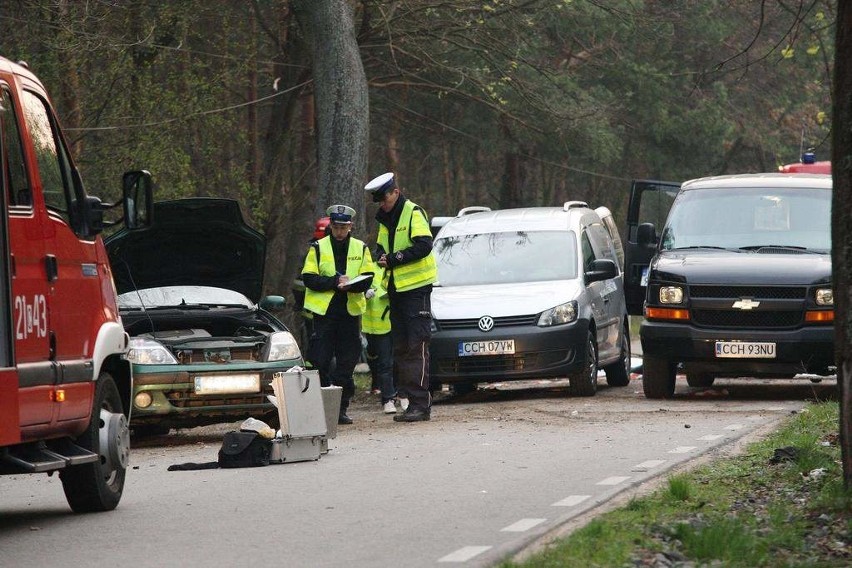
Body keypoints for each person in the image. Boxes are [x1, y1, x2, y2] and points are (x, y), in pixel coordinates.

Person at [364, 172, 437, 423]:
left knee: (417, 346)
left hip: (416, 290)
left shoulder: (413, 212)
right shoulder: (385, 219)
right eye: (380, 201)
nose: (382, 204)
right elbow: (383, 247)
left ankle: (420, 404)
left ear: (395, 191)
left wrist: (395, 259)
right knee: (402, 348)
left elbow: (424, 245)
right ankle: (410, 402)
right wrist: (382, 255)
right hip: (396, 290)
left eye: (385, 198)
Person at [302, 205, 373, 425]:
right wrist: (335, 283)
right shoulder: (318, 248)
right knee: (320, 361)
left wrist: (351, 286)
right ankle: (323, 407)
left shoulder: (361, 248)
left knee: (346, 363)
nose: (340, 231)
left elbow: (369, 277)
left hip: (349, 313)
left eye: (344, 226)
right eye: (336, 226)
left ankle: (341, 408)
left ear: (351, 226)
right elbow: (309, 278)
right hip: (325, 314)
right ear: (331, 226)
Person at [361, 266, 403, 414]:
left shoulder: (399, 268)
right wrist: (364, 294)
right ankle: (388, 399)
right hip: (378, 326)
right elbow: (357, 292)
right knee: (385, 364)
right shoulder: (369, 269)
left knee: (401, 362)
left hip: (399, 322)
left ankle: (403, 395)